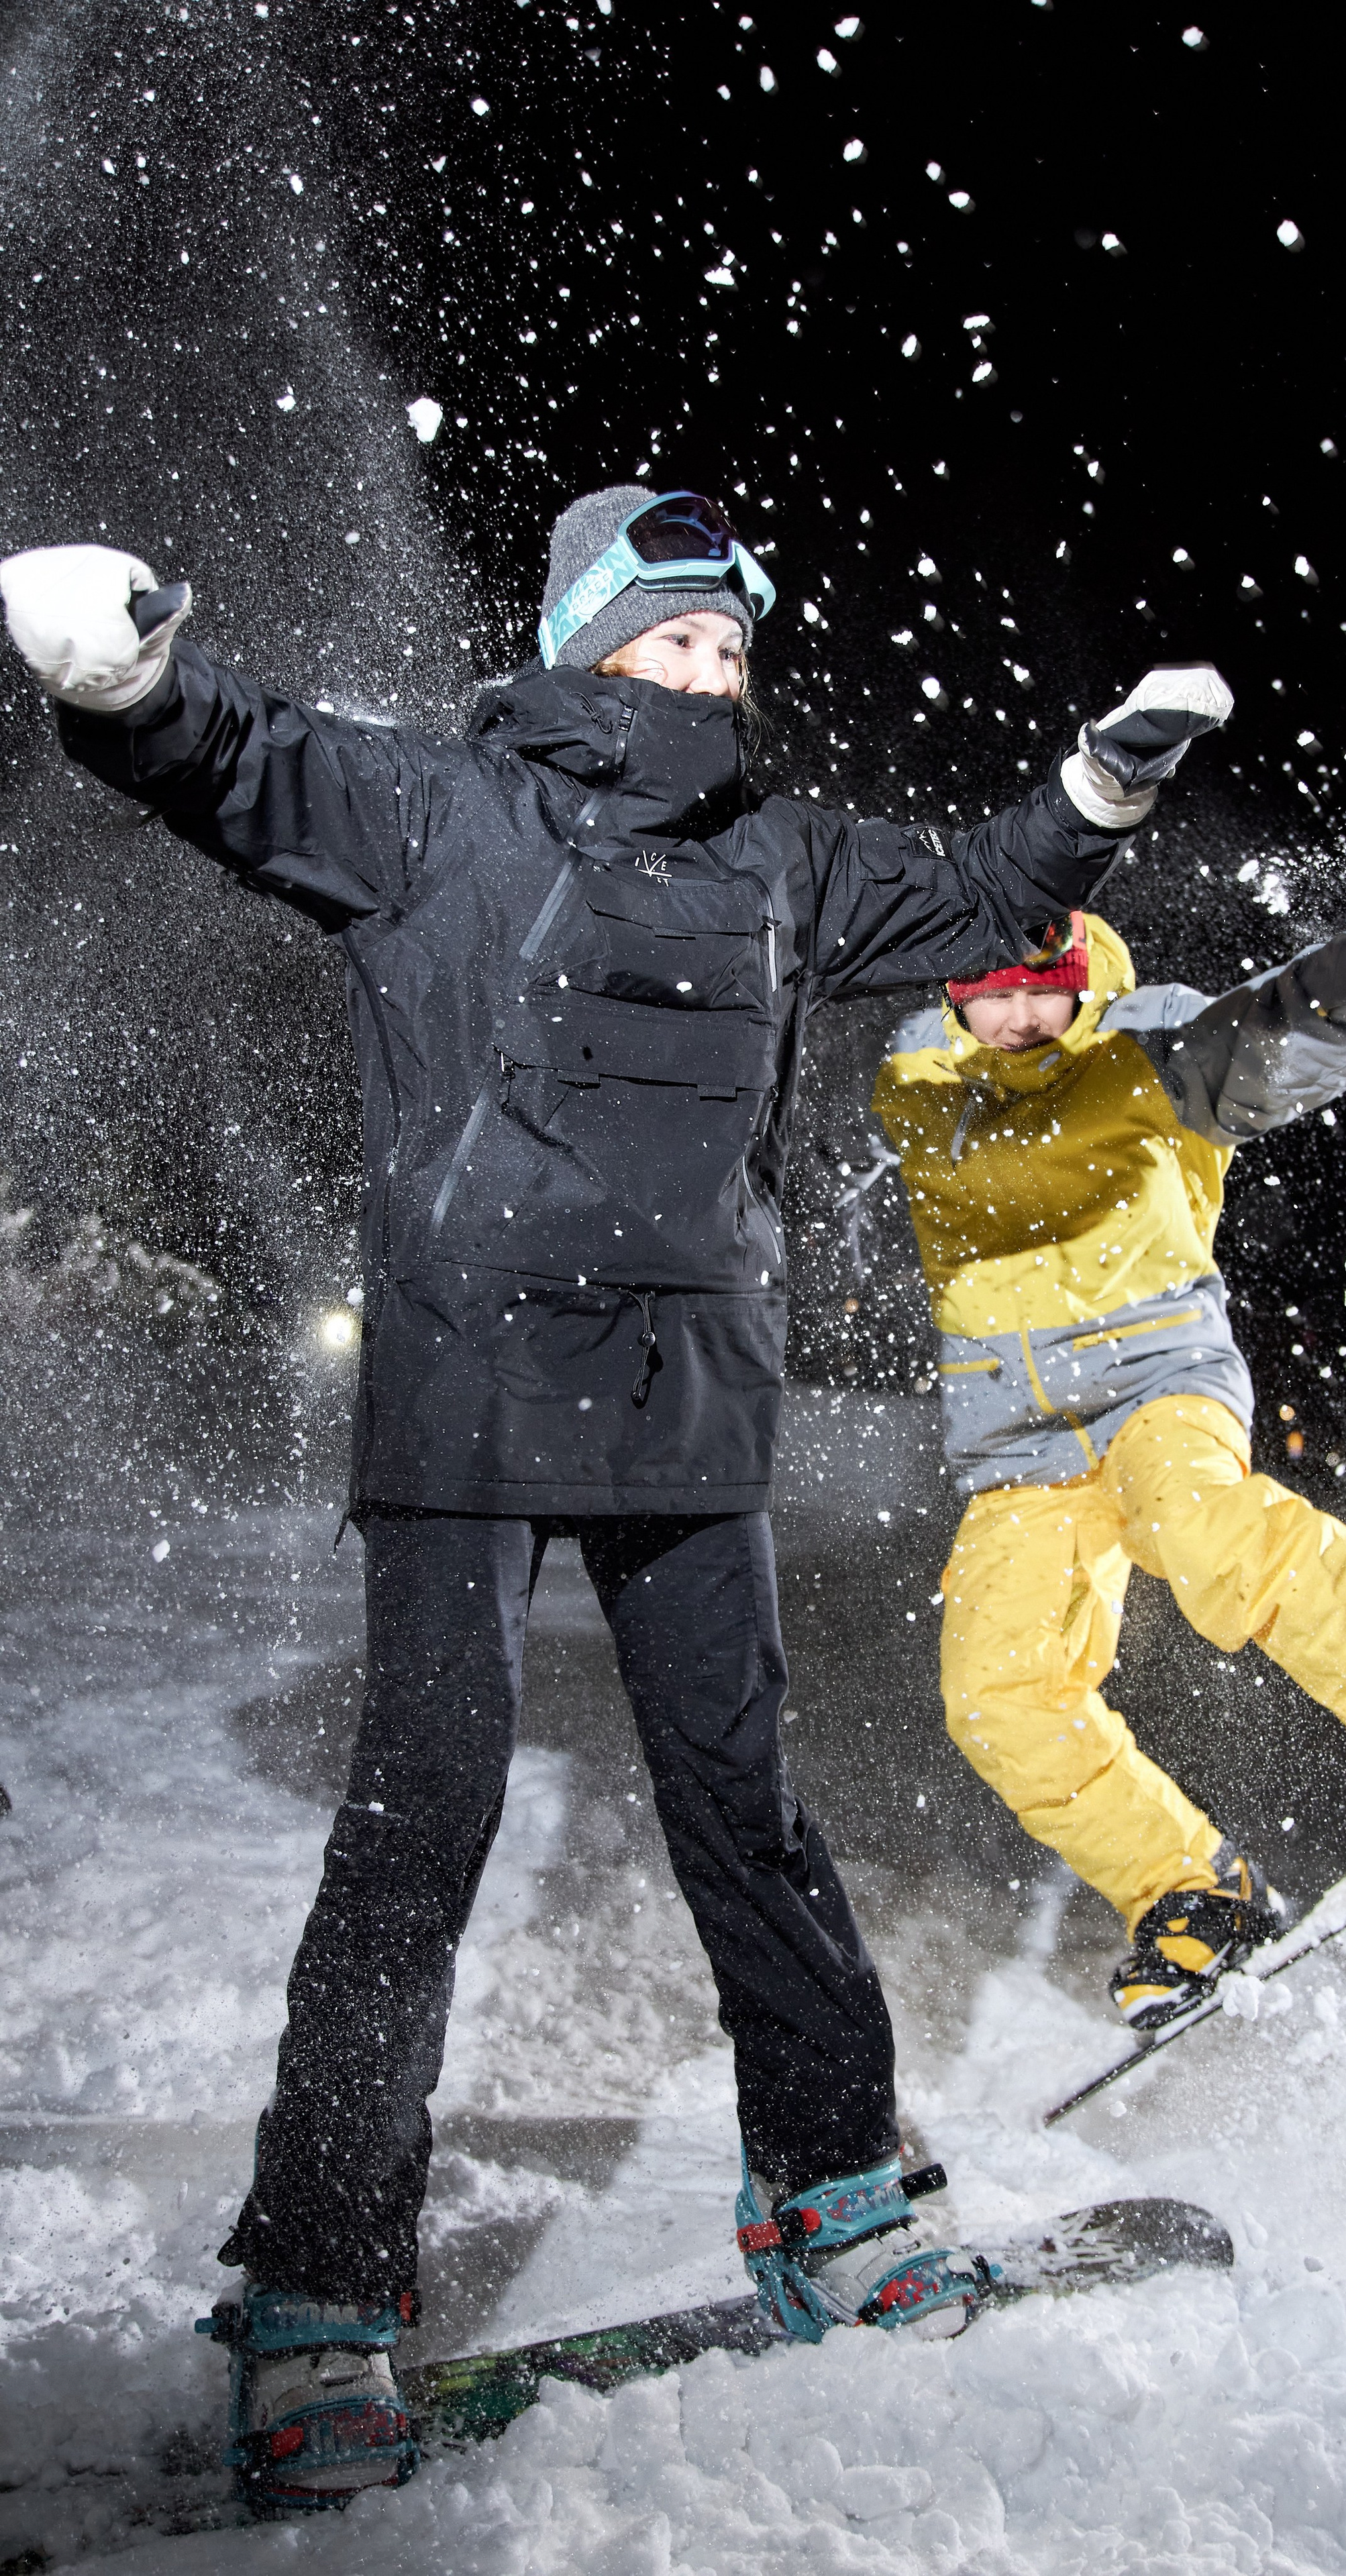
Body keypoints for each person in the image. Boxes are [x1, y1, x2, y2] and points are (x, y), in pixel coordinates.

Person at [1, 495, 1232, 2508]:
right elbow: (234, 759)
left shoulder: (780, 856)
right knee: (424, 1817)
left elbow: (977, 894)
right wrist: (126, 677)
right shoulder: (438, 812)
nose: (714, 673)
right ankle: (320, 2297)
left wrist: (1098, 788)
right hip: (472, 1388)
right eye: (678, 641)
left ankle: (833, 2190)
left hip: (692, 1394)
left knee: (746, 1809)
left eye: (734, 650)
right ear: (589, 643)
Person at [870, 883, 1346, 2036]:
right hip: (1017, 1443)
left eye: (1049, 995)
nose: (1024, 1021)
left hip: (1155, 1383)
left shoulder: (1151, 1051)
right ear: (953, 994)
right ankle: (1196, 1891)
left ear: (1089, 990)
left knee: (1202, 1529)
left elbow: (1283, 1031)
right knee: (996, 1691)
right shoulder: (915, 1090)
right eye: (995, 997)